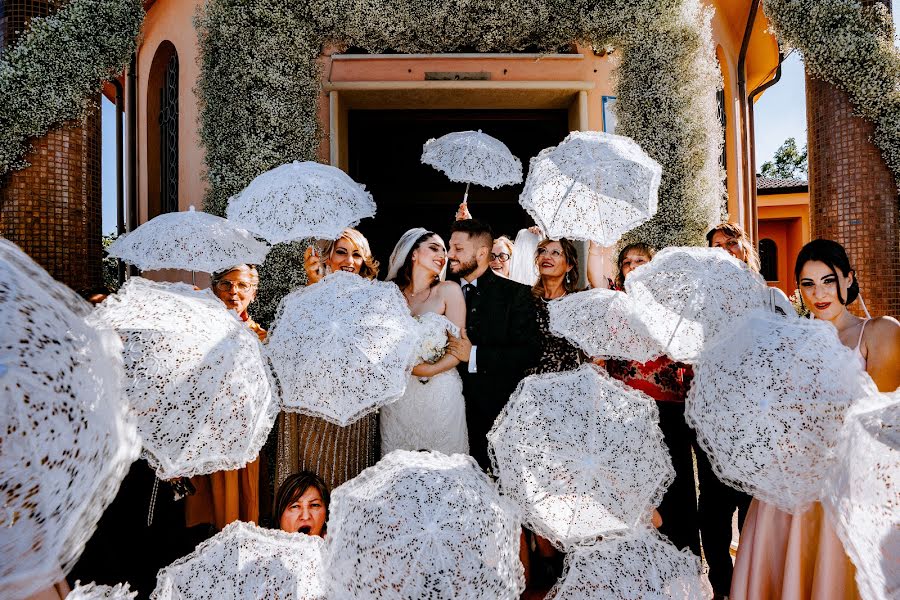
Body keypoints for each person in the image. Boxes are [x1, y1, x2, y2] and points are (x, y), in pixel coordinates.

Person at [731, 239, 900, 600]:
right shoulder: (790, 343)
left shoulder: (879, 332)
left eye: (828, 280)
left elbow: (884, 423)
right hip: (787, 486)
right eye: (808, 284)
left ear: (848, 279)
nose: (819, 293)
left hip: (845, 482)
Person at [591, 242, 703, 565]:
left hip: (667, 409)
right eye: (626, 262)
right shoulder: (615, 303)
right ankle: (636, 567)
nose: (633, 266)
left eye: (640, 260)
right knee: (634, 488)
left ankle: (681, 565)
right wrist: (600, 245)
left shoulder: (673, 305)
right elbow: (595, 271)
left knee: (675, 488)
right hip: (625, 411)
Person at [276, 228, 381, 494]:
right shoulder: (304, 299)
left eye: (356, 255)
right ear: (328, 256)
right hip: (315, 406)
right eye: (342, 252)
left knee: (352, 476)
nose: (349, 261)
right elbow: (292, 350)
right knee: (315, 471)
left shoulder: (374, 302)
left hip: (356, 407)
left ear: (364, 261)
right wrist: (314, 288)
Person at [445, 219, 540, 471]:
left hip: (491, 416)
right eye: (450, 247)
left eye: (458, 249)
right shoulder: (439, 290)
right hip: (441, 410)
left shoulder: (516, 294)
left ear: (482, 253)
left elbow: (528, 353)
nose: (450, 255)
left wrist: (474, 355)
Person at [186, 264, 265, 531]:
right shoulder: (198, 333)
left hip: (248, 439)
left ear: (254, 293)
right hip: (208, 436)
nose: (234, 292)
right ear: (215, 289)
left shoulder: (262, 337)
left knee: (247, 505)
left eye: (243, 285)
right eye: (226, 284)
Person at [380, 228, 469, 455]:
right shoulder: (389, 295)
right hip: (400, 398)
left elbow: (458, 350)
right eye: (433, 248)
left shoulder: (449, 291)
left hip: (440, 394)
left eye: (444, 250)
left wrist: (428, 370)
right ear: (413, 254)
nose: (443, 254)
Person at [525, 238, 585, 376]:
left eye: (555, 253)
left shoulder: (577, 302)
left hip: (565, 386)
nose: (547, 256)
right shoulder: (524, 298)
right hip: (528, 384)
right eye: (542, 251)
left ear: (569, 265)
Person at [707, 222, 793, 315]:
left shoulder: (773, 299)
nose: (725, 250)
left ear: (744, 250)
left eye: (731, 242)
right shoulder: (706, 304)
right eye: (718, 246)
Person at [273, 471, 330, 537]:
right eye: (295, 506)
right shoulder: (262, 544)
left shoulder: (337, 546)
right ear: (279, 517)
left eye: (314, 505)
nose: (305, 517)